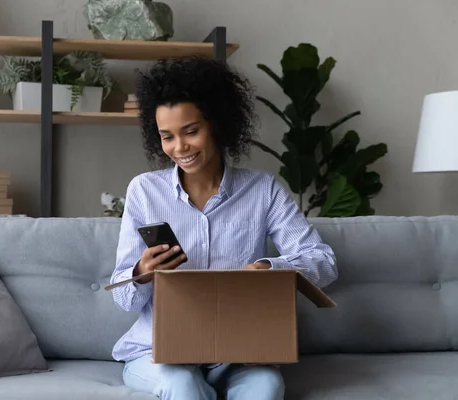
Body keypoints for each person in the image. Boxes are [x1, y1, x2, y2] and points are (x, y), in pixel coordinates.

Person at [109, 56, 338, 400]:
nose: (179, 147)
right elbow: (123, 298)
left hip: (239, 352)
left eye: (191, 131)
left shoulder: (263, 190)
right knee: (183, 386)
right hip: (159, 353)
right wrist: (142, 272)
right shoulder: (144, 191)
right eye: (167, 136)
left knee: (268, 388)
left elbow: (323, 262)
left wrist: (269, 268)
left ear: (217, 123)